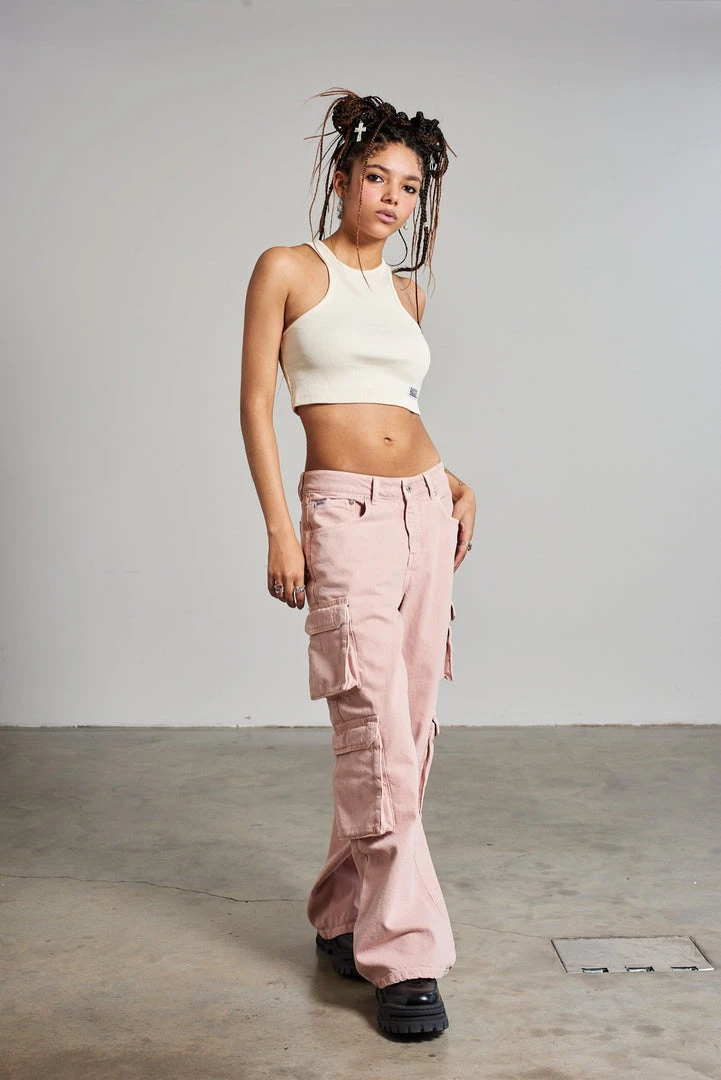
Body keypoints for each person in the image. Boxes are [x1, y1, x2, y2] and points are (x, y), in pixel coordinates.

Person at [239, 88, 476, 1036]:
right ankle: (405, 954)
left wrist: (450, 479)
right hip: (340, 514)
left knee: (406, 731)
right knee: (372, 725)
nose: (391, 198)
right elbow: (256, 404)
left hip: (425, 513)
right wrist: (279, 527)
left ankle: (343, 914)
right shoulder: (288, 268)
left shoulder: (407, 293)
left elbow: (396, 407)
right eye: (376, 177)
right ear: (341, 179)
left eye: (408, 186)